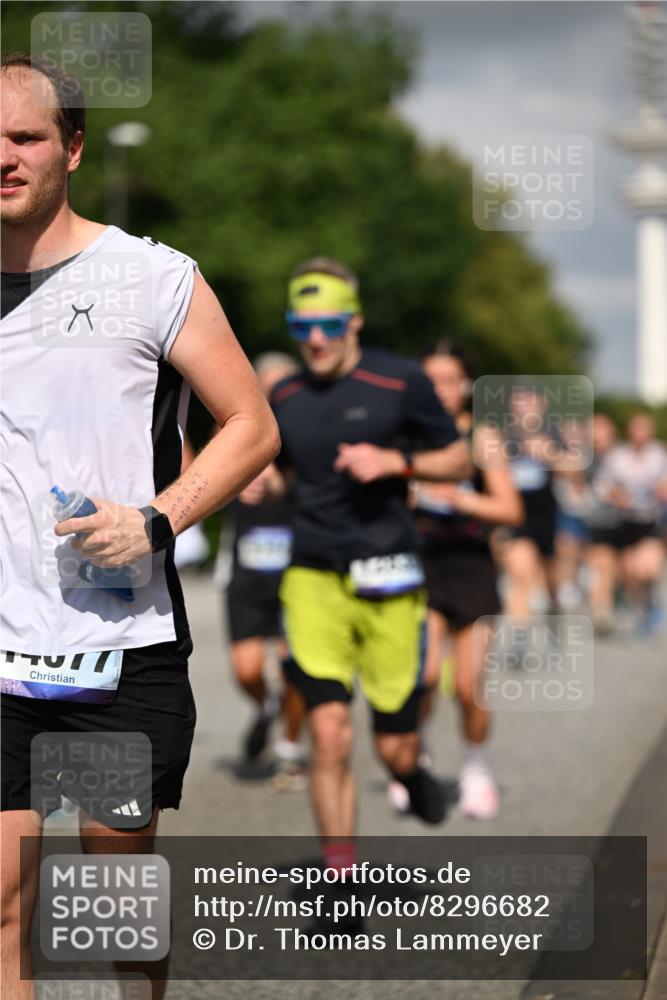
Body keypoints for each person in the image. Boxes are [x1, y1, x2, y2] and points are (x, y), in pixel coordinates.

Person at [0, 54, 279, 1000]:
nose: (4, 156)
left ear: (71, 148)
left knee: (115, 905)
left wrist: (157, 520)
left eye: (25, 137)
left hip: (121, 640)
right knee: (3, 905)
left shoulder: (150, 277)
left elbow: (251, 426)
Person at [247, 256, 469, 883]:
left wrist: (396, 460)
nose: (314, 339)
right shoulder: (283, 394)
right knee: (330, 731)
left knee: (393, 743)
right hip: (312, 575)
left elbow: (457, 459)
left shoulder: (401, 382)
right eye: (301, 325)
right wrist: (265, 482)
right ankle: (340, 876)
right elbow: (285, 471)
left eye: (329, 324)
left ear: (356, 321)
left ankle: (410, 771)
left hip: (391, 576)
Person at [410, 342, 523, 819]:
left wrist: (459, 500)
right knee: (425, 676)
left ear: (465, 386)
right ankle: (415, 761)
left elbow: (510, 509)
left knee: (470, 684)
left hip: (471, 568)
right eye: (429, 379)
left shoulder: (481, 437)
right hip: (420, 566)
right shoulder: (406, 434)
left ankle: (475, 769)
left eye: (448, 380)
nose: (439, 389)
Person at [223, 352, 307, 787]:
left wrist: (273, 482)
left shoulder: (307, 437)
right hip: (247, 574)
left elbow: (286, 481)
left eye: (282, 387)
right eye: (265, 386)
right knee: (248, 670)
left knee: (295, 668)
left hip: (296, 574)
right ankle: (267, 707)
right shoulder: (234, 430)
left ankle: (291, 748)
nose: (273, 396)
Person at [593, 413, 667, 636]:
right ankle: (641, 605)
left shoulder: (659, 455)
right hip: (623, 522)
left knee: (645, 568)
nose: (640, 435)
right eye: (636, 429)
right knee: (629, 572)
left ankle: (650, 605)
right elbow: (602, 486)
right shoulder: (618, 456)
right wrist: (616, 495)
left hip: (650, 521)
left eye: (644, 430)